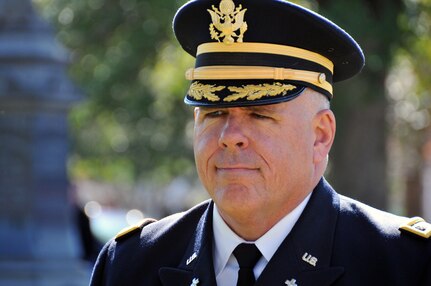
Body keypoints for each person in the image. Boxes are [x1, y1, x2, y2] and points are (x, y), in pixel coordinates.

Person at [89, 0, 431, 285]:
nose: (230, 137)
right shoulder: (129, 266)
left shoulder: (407, 266)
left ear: (320, 135)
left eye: (259, 114)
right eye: (213, 113)